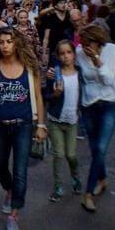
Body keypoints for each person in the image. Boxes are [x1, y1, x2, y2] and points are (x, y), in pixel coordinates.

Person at [0, 27, 46, 230]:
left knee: (20, 172)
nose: (5, 46)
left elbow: (37, 96)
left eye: (9, 41)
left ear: (16, 42)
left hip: (23, 125)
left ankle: (14, 215)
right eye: (1, 42)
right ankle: (9, 190)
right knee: (0, 167)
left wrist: (41, 125)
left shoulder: (29, 67)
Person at [75, 24, 115, 213]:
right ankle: (102, 179)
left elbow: (109, 79)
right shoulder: (79, 53)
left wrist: (96, 59)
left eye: (90, 43)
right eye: (84, 43)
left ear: (98, 41)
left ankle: (88, 194)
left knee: (101, 148)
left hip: (110, 102)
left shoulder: (112, 50)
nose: (86, 47)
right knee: (95, 148)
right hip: (89, 105)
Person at [44, 41, 82, 202]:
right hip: (55, 121)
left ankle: (75, 178)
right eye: (62, 53)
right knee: (58, 154)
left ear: (74, 54)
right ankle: (58, 187)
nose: (66, 56)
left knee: (71, 155)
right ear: (58, 56)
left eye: (69, 52)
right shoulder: (55, 73)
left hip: (72, 121)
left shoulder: (80, 73)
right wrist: (56, 93)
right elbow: (46, 96)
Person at [39, 0, 73, 68]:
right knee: (55, 73)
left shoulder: (68, 15)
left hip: (68, 48)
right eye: (61, 3)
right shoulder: (51, 17)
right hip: (55, 50)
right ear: (56, 5)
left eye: (64, 3)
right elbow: (46, 38)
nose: (63, 5)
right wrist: (44, 53)